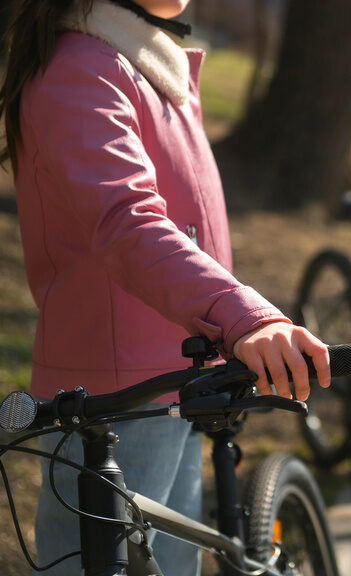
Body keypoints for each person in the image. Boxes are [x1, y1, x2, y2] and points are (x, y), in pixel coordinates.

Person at [0, 1, 330, 574]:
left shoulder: (145, 64)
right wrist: (242, 317)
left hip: (172, 389)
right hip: (112, 404)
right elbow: (126, 222)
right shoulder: (83, 67)